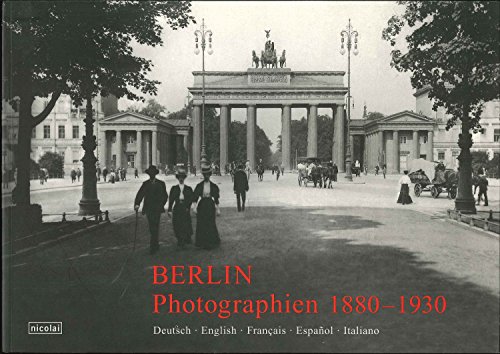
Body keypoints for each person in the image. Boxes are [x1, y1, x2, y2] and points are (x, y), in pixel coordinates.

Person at [134, 165, 168, 255]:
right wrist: (137, 204)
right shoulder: (146, 184)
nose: (151, 175)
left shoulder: (161, 184)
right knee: (152, 227)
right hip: (149, 209)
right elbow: (140, 194)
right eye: (150, 174)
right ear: (149, 174)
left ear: (155, 174)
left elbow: (165, 196)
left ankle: (153, 245)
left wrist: (161, 204)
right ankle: (155, 244)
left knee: (155, 226)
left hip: (157, 208)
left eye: (153, 173)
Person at [193, 162, 221, 249]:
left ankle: (211, 241)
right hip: (202, 205)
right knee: (202, 223)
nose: (206, 176)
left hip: (210, 205)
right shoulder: (199, 186)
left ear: (210, 175)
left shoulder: (213, 186)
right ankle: (202, 242)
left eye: (208, 174)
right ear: (203, 175)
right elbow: (195, 197)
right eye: (205, 175)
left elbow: (216, 198)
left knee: (210, 222)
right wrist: (194, 207)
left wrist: (218, 209)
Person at [168, 166, 193, 248]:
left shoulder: (188, 189)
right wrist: (169, 210)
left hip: (185, 207)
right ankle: (180, 239)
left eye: (182, 177)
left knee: (186, 223)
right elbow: (171, 199)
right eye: (179, 177)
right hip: (177, 207)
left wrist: (188, 207)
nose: (181, 179)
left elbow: (190, 199)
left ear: (184, 178)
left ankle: (186, 238)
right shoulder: (174, 188)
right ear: (178, 178)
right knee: (177, 223)